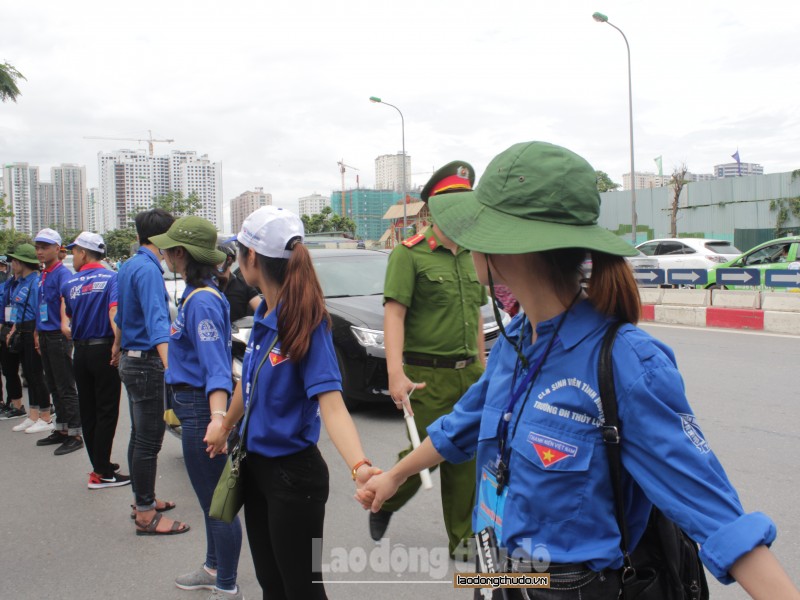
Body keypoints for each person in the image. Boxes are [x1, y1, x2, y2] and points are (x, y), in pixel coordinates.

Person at [359, 141, 800, 599]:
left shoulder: (627, 364)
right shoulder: (516, 344)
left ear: (501, 248)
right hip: (496, 574)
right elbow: (461, 426)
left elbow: (718, 518)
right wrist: (394, 476)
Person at [205, 206, 379, 599]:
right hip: (255, 469)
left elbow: (332, 405)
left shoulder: (307, 322)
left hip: (293, 478)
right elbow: (246, 384)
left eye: (239, 252)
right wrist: (225, 425)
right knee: (272, 585)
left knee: (303, 590)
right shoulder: (265, 313)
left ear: (251, 258)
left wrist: (360, 466)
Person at [372, 160, 487, 559]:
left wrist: (483, 368)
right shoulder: (409, 255)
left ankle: (464, 547)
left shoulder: (475, 255)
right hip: (426, 376)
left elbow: (474, 315)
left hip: (469, 373)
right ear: (433, 208)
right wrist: (395, 373)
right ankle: (386, 498)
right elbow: (394, 314)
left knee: (467, 459)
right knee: (428, 452)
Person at [151, 216, 243, 598]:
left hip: (199, 407)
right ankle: (213, 567)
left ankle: (225, 583)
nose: (164, 253)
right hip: (193, 403)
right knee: (211, 500)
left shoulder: (202, 300)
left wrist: (218, 419)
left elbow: (217, 369)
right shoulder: (198, 294)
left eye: (169, 248)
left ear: (182, 254)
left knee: (216, 502)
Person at [112, 208, 189, 534]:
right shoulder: (148, 271)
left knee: (138, 436)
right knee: (148, 440)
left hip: (132, 359)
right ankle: (145, 514)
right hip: (146, 363)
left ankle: (143, 498)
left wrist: (116, 346)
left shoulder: (129, 265)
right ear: (161, 237)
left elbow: (120, 315)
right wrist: (173, 368)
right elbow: (158, 323)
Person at [62, 232, 129, 488]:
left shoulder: (70, 284)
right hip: (104, 350)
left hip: (80, 352)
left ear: (84, 253)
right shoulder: (112, 278)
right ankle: (103, 472)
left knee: (88, 410)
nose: (73, 256)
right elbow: (114, 311)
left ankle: (99, 465)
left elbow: (69, 316)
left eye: (75, 251)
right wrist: (117, 344)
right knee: (107, 410)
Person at [34, 228, 83, 455]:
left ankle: (75, 432)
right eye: (38, 247)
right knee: (52, 384)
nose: (40, 251)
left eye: (44, 247)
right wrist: (36, 331)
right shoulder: (44, 274)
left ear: (57, 248)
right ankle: (61, 428)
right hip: (44, 334)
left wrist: (65, 325)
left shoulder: (63, 274)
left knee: (65, 386)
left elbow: (66, 302)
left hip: (57, 336)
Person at [6, 244, 53, 435]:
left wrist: (38, 334)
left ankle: (46, 415)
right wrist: (13, 330)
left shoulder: (35, 282)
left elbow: (40, 309)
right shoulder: (21, 282)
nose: (12, 264)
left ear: (22, 262)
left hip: (33, 329)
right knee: (29, 373)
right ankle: (33, 415)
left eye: (14, 261)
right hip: (22, 331)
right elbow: (17, 311)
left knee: (36, 375)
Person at [0, 256, 25, 420]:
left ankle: (19, 405)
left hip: (19, 329)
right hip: (6, 328)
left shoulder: (24, 284)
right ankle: (10, 402)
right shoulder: (8, 284)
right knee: (8, 369)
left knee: (30, 373)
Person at [215, 242, 260, 324]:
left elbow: (263, 313)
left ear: (229, 260)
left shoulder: (244, 286)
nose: (213, 263)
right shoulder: (205, 285)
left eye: (217, 258)